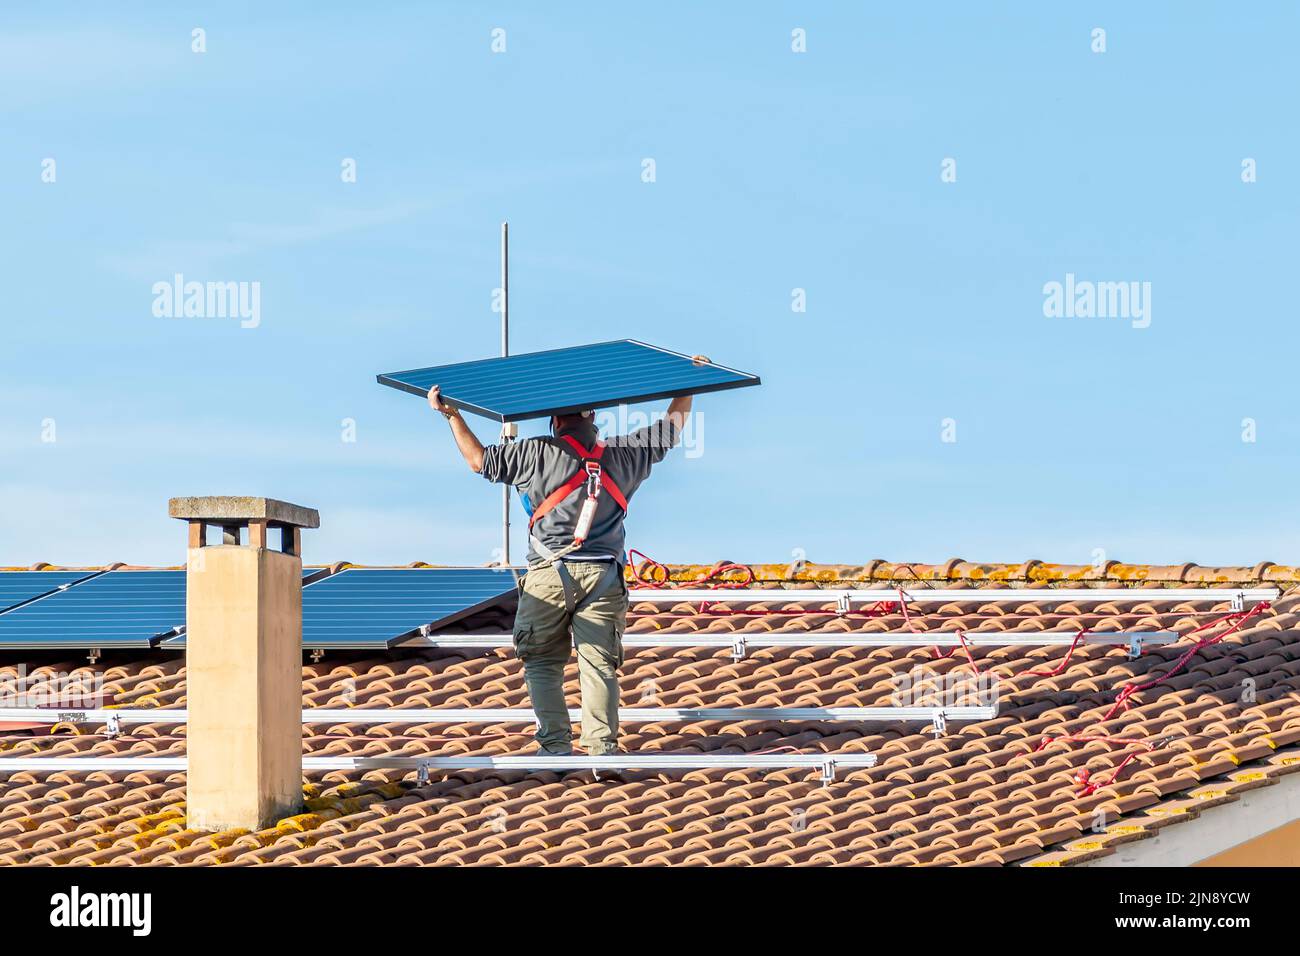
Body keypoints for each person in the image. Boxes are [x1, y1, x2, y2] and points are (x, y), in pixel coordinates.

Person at [428, 380, 701, 756]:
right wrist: (687, 386)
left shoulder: (534, 452)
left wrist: (452, 416)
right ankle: (601, 748)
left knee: (541, 661)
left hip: (547, 577)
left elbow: (478, 461)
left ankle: (554, 747)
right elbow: (670, 430)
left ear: (555, 421)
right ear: (593, 417)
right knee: (599, 664)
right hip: (604, 578)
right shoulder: (625, 453)